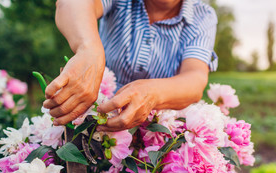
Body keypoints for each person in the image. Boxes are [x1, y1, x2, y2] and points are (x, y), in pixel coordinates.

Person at [43, 0, 218, 132]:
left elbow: (195, 80)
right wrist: (88, 49)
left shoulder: (202, 16)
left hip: (156, 133)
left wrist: (151, 93)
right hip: (92, 119)